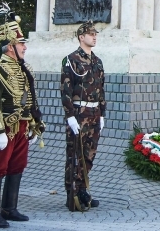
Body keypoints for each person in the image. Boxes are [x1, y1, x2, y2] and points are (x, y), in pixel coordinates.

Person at [0, 4, 45, 228]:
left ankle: (9, 208)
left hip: (23, 127)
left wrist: (35, 125)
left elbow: (31, 99)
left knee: (17, 166)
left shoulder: (24, 69)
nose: (25, 47)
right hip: (5, 128)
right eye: (21, 43)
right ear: (10, 47)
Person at [61, 20, 106, 211]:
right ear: (81, 37)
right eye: (91, 34)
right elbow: (65, 90)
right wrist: (69, 116)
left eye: (95, 34)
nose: (94, 37)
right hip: (79, 114)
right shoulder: (71, 60)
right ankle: (72, 194)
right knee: (75, 155)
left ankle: (83, 190)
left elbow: (101, 90)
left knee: (89, 155)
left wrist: (102, 113)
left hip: (94, 113)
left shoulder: (97, 61)